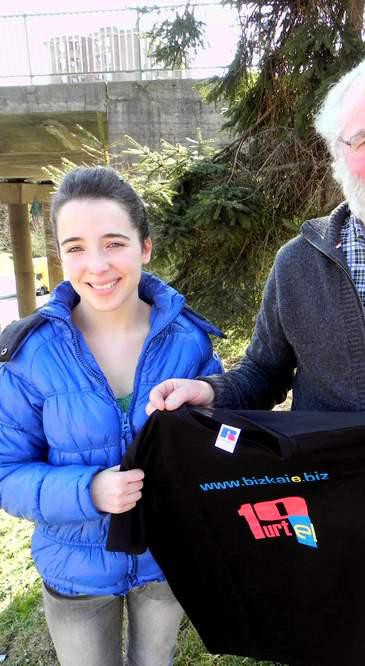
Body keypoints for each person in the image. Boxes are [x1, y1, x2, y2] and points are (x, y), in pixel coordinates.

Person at [146, 47, 365, 665]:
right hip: (327, 547)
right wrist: (212, 393)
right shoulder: (298, 265)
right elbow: (264, 372)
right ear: (340, 156)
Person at [0, 166, 223, 666]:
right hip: (75, 571)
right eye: (76, 247)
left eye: (114, 243)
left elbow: (220, 444)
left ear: (145, 247)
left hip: (165, 561)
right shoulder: (29, 355)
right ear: (60, 256)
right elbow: (6, 472)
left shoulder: (189, 341)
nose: (97, 265)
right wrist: (89, 491)